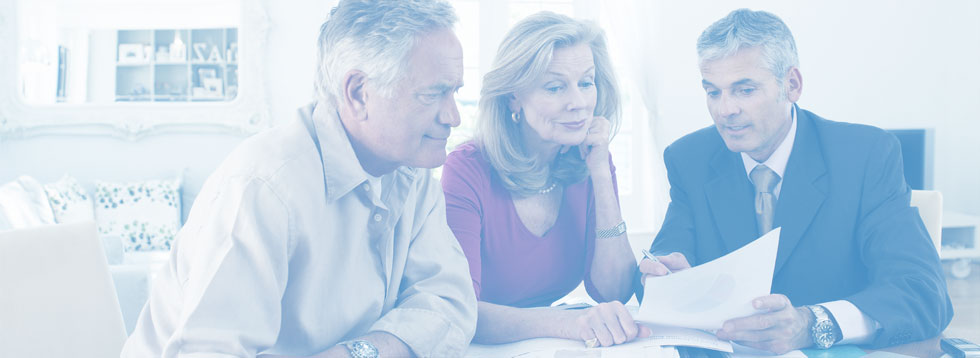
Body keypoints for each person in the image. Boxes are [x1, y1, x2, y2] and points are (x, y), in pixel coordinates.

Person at [122, 1, 477, 357]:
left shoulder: (412, 173)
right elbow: (210, 352)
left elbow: (450, 302)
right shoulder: (263, 187)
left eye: (454, 93)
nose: (453, 117)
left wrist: (361, 351)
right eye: (432, 94)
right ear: (358, 93)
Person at [637, 8, 953, 354]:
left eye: (744, 90)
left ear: (792, 85)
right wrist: (663, 278)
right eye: (713, 92)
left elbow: (922, 294)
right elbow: (667, 257)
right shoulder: (689, 159)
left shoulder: (865, 155)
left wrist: (812, 323)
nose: (725, 110)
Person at [440, 12, 647, 348]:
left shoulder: (591, 159)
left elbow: (614, 290)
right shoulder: (467, 169)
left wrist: (600, 173)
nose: (578, 103)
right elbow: (459, 311)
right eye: (555, 87)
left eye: (586, 83)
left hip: (544, 344)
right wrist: (572, 323)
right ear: (513, 97)